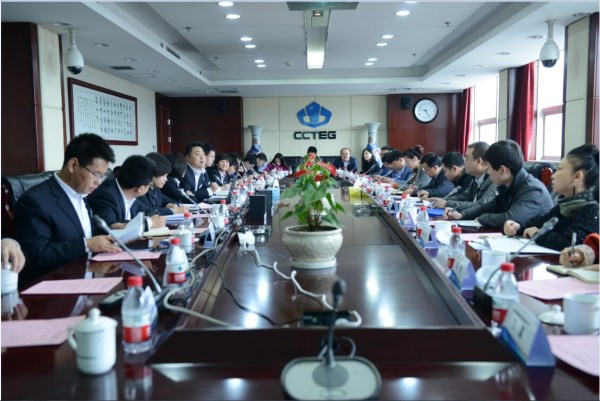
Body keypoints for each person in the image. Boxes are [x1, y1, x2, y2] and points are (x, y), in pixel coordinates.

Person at [14, 133, 121, 284]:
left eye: (102, 176)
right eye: (96, 174)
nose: (98, 182)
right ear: (73, 165)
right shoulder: (35, 201)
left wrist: (110, 235)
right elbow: (36, 255)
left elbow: (80, 233)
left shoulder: (82, 193)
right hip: (53, 286)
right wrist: (86, 245)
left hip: (86, 277)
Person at [504, 144, 599, 251]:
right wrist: (517, 227)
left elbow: (573, 245)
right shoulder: (565, 205)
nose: (553, 176)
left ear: (577, 176)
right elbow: (538, 224)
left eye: (559, 169)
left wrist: (538, 234)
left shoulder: (593, 209)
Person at [447, 140, 554, 229]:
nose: (488, 172)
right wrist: (462, 215)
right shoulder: (510, 183)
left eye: (489, 167)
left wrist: (482, 219)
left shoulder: (533, 190)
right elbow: (489, 206)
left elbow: (510, 218)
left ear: (503, 170)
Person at [88, 155, 166, 229]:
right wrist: (149, 223)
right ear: (140, 188)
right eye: (149, 185)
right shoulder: (106, 195)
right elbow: (111, 226)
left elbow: (149, 211)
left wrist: (153, 218)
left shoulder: (131, 195)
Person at [430, 142, 498, 213]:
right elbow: (465, 196)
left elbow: (482, 205)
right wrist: (442, 200)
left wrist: (447, 204)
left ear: (479, 161)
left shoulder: (494, 179)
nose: (464, 162)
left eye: (467, 157)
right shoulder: (475, 177)